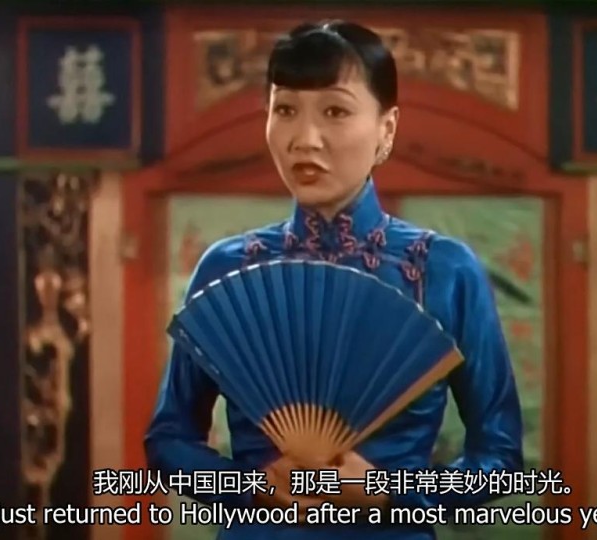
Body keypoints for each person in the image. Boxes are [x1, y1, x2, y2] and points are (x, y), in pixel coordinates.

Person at [144, 20, 524, 539]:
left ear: (386, 129)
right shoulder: (227, 267)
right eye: (285, 110)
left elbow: (499, 456)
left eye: (335, 111)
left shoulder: (446, 270)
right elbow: (169, 438)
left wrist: (392, 493)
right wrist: (248, 487)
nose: (305, 139)